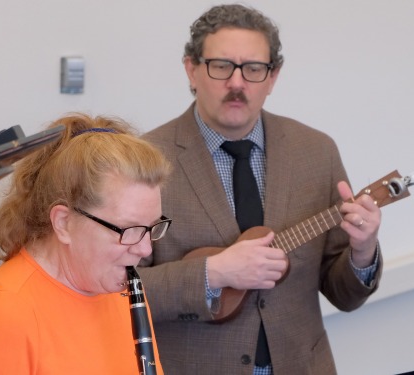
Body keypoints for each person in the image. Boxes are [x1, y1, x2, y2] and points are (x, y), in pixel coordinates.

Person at [137, 4, 383, 375]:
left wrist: (363, 252)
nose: (237, 84)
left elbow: (344, 295)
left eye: (253, 69)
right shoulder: (144, 162)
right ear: (191, 69)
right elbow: (121, 291)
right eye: (221, 66)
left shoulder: (316, 152)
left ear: (273, 77)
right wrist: (212, 274)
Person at [0, 113, 171, 374]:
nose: (145, 249)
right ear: (64, 222)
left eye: (151, 228)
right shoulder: (7, 311)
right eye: (127, 229)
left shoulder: (121, 289)